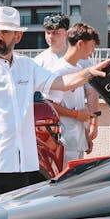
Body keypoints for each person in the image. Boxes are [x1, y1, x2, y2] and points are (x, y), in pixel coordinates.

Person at [0, 6, 110, 199]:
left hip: (22, 168)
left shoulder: (27, 66)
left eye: (5, 32)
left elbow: (61, 82)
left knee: (18, 218)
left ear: (18, 36)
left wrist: (89, 73)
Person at [35, 13, 100, 149]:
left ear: (66, 33)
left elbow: (91, 93)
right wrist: (77, 115)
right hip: (56, 135)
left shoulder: (82, 59)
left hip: (76, 133)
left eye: (56, 33)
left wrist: (93, 123)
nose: (50, 37)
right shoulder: (38, 62)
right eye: (48, 33)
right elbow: (46, 103)